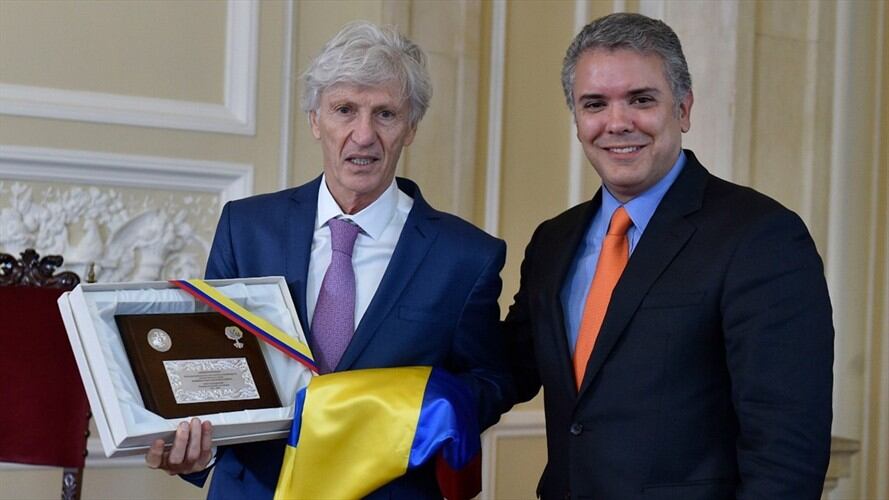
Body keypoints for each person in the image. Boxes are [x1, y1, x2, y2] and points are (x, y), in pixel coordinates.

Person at [144, 21, 512, 499]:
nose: (364, 135)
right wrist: (195, 449)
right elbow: (211, 363)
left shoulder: (465, 256)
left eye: (386, 114)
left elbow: (490, 381)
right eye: (345, 110)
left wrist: (437, 405)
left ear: (411, 128)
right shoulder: (246, 227)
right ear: (315, 120)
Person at [504, 12, 833, 500]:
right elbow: (506, 368)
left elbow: (786, 453)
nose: (618, 122)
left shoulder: (761, 237)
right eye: (595, 104)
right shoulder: (553, 242)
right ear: (577, 119)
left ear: (682, 108)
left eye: (641, 99)